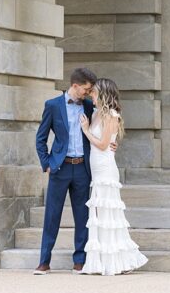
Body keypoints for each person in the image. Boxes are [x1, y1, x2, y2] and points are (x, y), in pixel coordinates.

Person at [33, 67, 115, 274]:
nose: (88, 94)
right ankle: (44, 261)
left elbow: (108, 126)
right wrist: (47, 163)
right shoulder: (52, 105)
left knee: (82, 216)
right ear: (75, 85)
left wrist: (113, 143)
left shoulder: (89, 106)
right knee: (52, 215)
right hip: (60, 168)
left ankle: (80, 260)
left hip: (82, 168)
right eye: (85, 90)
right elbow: (40, 138)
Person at [79, 78, 148, 276]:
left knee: (109, 215)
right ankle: (103, 261)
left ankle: (120, 260)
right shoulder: (96, 114)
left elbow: (102, 144)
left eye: (94, 92)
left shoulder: (111, 115)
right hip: (97, 168)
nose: (91, 95)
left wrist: (85, 130)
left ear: (102, 93)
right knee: (101, 215)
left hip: (106, 168)